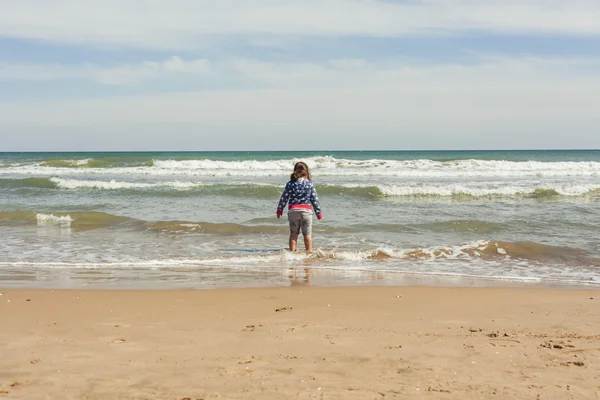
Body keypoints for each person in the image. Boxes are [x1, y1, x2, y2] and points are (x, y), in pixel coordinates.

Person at [276, 162, 323, 252]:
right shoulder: (309, 184)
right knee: (307, 235)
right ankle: (309, 253)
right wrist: (318, 212)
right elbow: (314, 199)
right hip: (306, 212)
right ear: (307, 172)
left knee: (293, 234)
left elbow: (284, 197)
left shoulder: (290, 184)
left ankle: (292, 253)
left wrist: (279, 209)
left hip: (293, 211)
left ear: (295, 171)